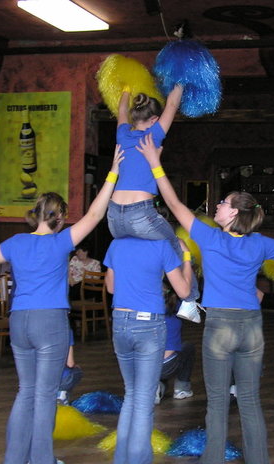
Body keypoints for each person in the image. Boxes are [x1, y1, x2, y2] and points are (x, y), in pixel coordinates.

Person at [138, 134, 274, 464]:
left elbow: (172, 201)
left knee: (217, 405)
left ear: (233, 213)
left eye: (223, 202)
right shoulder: (259, 243)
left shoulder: (210, 237)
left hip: (220, 325)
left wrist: (155, 162)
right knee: (248, 401)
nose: (217, 205)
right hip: (251, 327)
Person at [0, 146, 123, 464]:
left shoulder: (16, 242)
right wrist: (113, 173)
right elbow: (94, 215)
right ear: (59, 217)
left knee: (26, 391)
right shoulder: (60, 242)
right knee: (45, 395)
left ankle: (13, 461)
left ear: (36, 214)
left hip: (19, 321)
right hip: (49, 322)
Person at [107, 84, 201, 323]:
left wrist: (125, 89)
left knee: (140, 252)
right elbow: (173, 104)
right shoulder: (153, 135)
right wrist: (181, 82)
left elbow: (121, 110)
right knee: (178, 246)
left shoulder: (122, 134)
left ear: (134, 116)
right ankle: (190, 300)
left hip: (114, 217)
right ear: (154, 120)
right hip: (140, 215)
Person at [104, 235, 192, 464]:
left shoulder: (117, 243)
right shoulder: (161, 245)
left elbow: (111, 288)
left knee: (131, 395)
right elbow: (184, 291)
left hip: (120, 322)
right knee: (143, 402)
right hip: (148, 325)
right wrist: (186, 257)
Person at [154, 280, 196, 405]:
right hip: (167, 364)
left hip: (145, 364)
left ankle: (155, 386)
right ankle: (182, 388)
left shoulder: (145, 306)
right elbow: (193, 315)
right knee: (188, 347)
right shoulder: (177, 306)